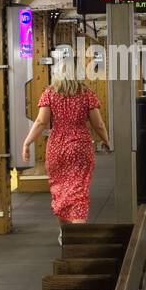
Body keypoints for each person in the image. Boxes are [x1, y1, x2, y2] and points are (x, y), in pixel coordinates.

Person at [21, 60, 111, 240]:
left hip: (57, 147)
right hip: (80, 145)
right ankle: (79, 235)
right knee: (78, 191)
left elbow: (40, 122)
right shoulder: (87, 94)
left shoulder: (49, 93)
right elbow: (98, 124)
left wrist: (27, 143)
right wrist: (106, 140)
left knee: (59, 190)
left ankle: (65, 233)